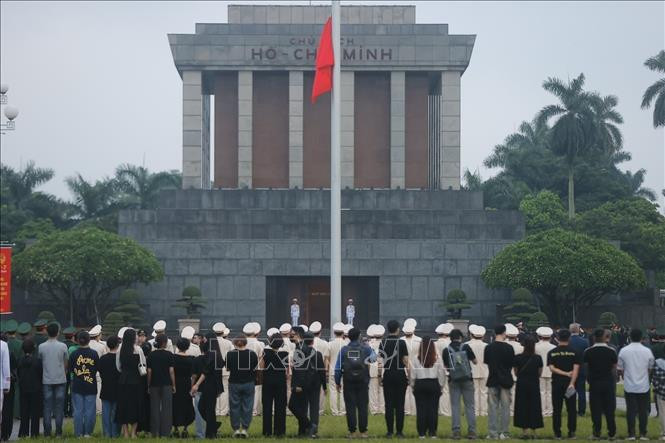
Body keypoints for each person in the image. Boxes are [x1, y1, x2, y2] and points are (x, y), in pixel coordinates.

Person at [334, 327, 376, 439]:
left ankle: (352, 432)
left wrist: (337, 382)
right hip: (363, 381)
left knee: (350, 406)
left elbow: (337, 368)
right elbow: (374, 359)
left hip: (348, 381)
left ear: (348, 337)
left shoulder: (344, 350)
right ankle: (363, 432)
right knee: (363, 406)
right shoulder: (366, 348)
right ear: (359, 336)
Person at [618, 328, 655, 440]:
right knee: (643, 410)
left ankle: (631, 434)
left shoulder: (624, 351)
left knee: (630, 410)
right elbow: (650, 367)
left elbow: (620, 368)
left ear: (630, 337)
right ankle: (643, 433)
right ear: (641, 338)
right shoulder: (647, 351)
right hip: (643, 385)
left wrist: (625, 376)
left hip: (629, 384)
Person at [289, 330, 327, 438]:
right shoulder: (318, 354)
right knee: (314, 407)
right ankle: (313, 430)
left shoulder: (300, 352)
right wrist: (324, 386)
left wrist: (296, 384)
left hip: (304, 383)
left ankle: (305, 429)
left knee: (301, 407)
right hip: (315, 384)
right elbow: (322, 371)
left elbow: (298, 370)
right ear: (313, 341)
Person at [442, 328, 477, 439]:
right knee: (470, 406)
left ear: (450, 338)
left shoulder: (446, 350)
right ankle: (472, 432)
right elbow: (475, 361)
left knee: (455, 406)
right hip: (467, 379)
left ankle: (456, 431)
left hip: (454, 381)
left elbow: (446, 366)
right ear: (461, 337)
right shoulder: (466, 347)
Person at [548, 328, 582, 439]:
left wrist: (564, 373)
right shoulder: (574, 352)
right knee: (571, 409)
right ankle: (572, 432)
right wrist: (572, 382)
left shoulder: (552, 352)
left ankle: (557, 433)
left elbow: (552, 368)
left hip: (557, 384)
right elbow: (576, 369)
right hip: (570, 385)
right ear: (569, 338)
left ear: (557, 338)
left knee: (557, 409)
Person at [584, 328, 618, 440]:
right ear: (604, 337)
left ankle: (596, 432)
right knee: (609, 409)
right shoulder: (611, 351)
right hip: (608, 382)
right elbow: (614, 368)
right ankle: (612, 432)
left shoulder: (588, 351)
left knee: (596, 409)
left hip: (594, 383)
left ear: (594, 338)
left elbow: (587, 368)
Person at [410, 336, 446, 438]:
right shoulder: (437, 358)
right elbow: (441, 373)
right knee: (433, 409)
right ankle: (432, 432)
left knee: (421, 409)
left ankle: (421, 433)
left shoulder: (416, 358)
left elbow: (413, 374)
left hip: (420, 384)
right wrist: (441, 386)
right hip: (433, 383)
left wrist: (412, 385)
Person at [484, 324, 515, 439]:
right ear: (504, 333)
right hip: (506, 379)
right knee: (505, 408)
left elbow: (487, 362)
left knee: (492, 408)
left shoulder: (489, 348)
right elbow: (511, 364)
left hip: (492, 379)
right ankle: (504, 433)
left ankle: (492, 433)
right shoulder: (509, 348)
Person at [379, 319, 409, 438]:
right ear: (397, 329)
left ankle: (389, 431)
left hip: (388, 374)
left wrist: (380, 376)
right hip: (400, 374)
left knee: (389, 404)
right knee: (400, 404)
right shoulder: (401, 343)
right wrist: (410, 375)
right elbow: (405, 361)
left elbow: (381, 362)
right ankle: (400, 432)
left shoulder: (383, 342)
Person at [38, 322, 68, 437]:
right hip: (60, 379)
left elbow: (40, 362)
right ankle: (59, 433)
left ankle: (47, 433)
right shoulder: (63, 346)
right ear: (57, 333)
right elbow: (66, 362)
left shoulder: (41, 347)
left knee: (47, 407)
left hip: (47, 380)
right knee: (59, 408)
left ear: (47, 332)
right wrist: (63, 372)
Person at [192, 333, 224, 439]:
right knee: (209, 409)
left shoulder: (211, 354)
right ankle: (212, 429)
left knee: (203, 407)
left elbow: (206, 372)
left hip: (209, 385)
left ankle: (212, 430)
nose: (203, 341)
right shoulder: (217, 353)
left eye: (205, 339)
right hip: (214, 385)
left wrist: (196, 384)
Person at [116, 328, 147, 439]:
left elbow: (118, 366)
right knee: (136, 405)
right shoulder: (138, 349)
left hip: (124, 380)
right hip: (136, 380)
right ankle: (134, 432)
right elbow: (143, 364)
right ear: (133, 338)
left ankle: (125, 432)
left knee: (123, 406)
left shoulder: (120, 349)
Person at [68, 331, 99, 437]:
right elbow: (96, 369)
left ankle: (78, 433)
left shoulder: (73, 354)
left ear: (77, 341)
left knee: (78, 411)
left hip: (77, 385)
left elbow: (71, 369)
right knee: (90, 410)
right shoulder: (94, 354)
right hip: (91, 385)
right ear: (89, 340)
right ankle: (88, 433)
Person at [226, 335, 258, 438]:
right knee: (248, 406)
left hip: (234, 382)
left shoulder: (230, 354)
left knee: (234, 406)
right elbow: (255, 368)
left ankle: (235, 429)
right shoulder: (252, 354)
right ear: (246, 343)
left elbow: (228, 368)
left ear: (234, 343)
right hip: (248, 382)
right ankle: (244, 429)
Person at [513, 335, 543, 439]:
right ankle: (534, 431)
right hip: (534, 384)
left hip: (521, 384)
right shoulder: (538, 358)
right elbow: (540, 372)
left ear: (523, 345)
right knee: (534, 406)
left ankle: (524, 431)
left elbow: (516, 372)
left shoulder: (518, 357)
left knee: (522, 406)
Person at [146, 333, 175, 437]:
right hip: (167, 384)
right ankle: (165, 432)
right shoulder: (169, 355)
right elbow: (171, 371)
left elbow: (149, 372)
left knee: (154, 408)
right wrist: (174, 385)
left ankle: (154, 432)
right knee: (166, 409)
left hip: (154, 384)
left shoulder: (151, 355)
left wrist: (148, 385)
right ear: (164, 343)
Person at [261, 333, 288, 437]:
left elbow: (262, 366)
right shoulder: (285, 353)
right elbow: (286, 369)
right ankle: (280, 431)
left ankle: (267, 432)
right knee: (280, 407)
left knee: (267, 407)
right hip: (280, 381)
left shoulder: (265, 352)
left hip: (268, 381)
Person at [17, 339, 42, 438]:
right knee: (35, 413)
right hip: (35, 389)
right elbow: (41, 374)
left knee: (24, 411)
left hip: (23, 388)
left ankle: (23, 432)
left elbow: (18, 373)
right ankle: (34, 433)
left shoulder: (19, 360)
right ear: (33, 349)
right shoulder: (38, 361)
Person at [172, 338, 195, 438]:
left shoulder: (173, 358)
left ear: (177, 346)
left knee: (175, 404)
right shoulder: (191, 359)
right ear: (188, 347)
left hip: (176, 382)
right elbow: (193, 374)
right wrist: (192, 386)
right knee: (186, 404)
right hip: (186, 383)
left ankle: (175, 428)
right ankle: (185, 428)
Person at [99, 335, 120, 438]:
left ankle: (106, 433)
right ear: (117, 345)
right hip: (117, 389)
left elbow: (101, 372)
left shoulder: (103, 358)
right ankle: (115, 433)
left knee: (106, 413)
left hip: (106, 388)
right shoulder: (120, 358)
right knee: (115, 413)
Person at [466, 324, 488, 417]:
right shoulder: (486, 346)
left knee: (474, 392)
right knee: (484, 392)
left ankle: (475, 411)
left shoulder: (467, 345)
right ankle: (483, 412)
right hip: (485, 371)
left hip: (472, 371)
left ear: (471, 334)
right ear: (483, 336)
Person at [401, 319, 421, 416]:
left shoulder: (400, 341)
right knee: (415, 389)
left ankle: (407, 410)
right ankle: (415, 410)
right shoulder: (419, 340)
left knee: (405, 390)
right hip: (416, 367)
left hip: (404, 367)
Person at [213, 322, 233, 419]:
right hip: (225, 369)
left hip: (214, 369)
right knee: (225, 389)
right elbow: (232, 355)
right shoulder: (228, 343)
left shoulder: (211, 342)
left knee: (215, 390)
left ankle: (216, 410)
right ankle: (224, 411)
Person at [310, 321, 330, 415]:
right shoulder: (325, 343)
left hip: (309, 369)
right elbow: (326, 359)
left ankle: (310, 409)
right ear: (320, 332)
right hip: (320, 369)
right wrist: (326, 371)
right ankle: (320, 410)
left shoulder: (308, 343)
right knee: (321, 390)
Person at [535, 327, 556, 417]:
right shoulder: (554, 347)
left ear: (539, 336)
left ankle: (542, 410)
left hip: (540, 372)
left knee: (541, 392)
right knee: (550, 392)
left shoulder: (536, 347)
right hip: (552, 371)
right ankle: (550, 410)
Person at [569, 323, 589, 417]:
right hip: (581, 369)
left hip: (569, 370)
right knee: (581, 391)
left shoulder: (567, 341)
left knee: (570, 390)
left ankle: (571, 409)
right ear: (578, 330)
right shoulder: (585, 342)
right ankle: (581, 411)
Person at [328, 322, 347, 416]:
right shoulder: (346, 344)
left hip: (333, 370)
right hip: (345, 370)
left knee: (333, 391)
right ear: (343, 332)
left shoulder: (330, 344)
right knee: (344, 390)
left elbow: (328, 358)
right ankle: (343, 411)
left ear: (334, 333)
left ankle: (335, 411)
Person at [434, 323, 453, 417]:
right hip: (449, 369)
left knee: (439, 390)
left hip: (437, 369)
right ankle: (446, 411)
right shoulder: (450, 343)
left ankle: (440, 410)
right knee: (447, 391)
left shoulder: (435, 344)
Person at [367, 325, 385, 415]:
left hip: (372, 369)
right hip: (384, 368)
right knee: (382, 390)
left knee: (373, 391)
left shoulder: (369, 344)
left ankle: (374, 410)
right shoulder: (385, 343)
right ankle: (382, 409)